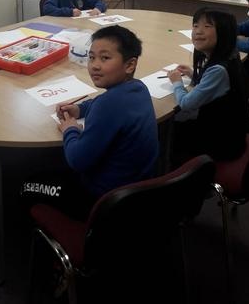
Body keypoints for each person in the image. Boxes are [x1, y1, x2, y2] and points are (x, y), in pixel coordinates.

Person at [21, 25, 159, 218]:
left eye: (105, 58)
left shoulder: (108, 105)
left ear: (130, 65)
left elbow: (77, 160)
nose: (94, 65)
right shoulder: (138, 88)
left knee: (26, 183)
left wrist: (70, 129)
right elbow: (101, 101)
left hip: (103, 201)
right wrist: (79, 109)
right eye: (91, 57)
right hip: (136, 190)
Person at [167, 7, 249, 166]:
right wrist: (194, 75)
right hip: (228, 130)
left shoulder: (218, 70)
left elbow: (186, 104)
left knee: (165, 129)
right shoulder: (230, 55)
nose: (198, 31)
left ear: (224, 32)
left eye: (207, 26)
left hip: (221, 143)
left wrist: (177, 82)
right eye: (195, 25)